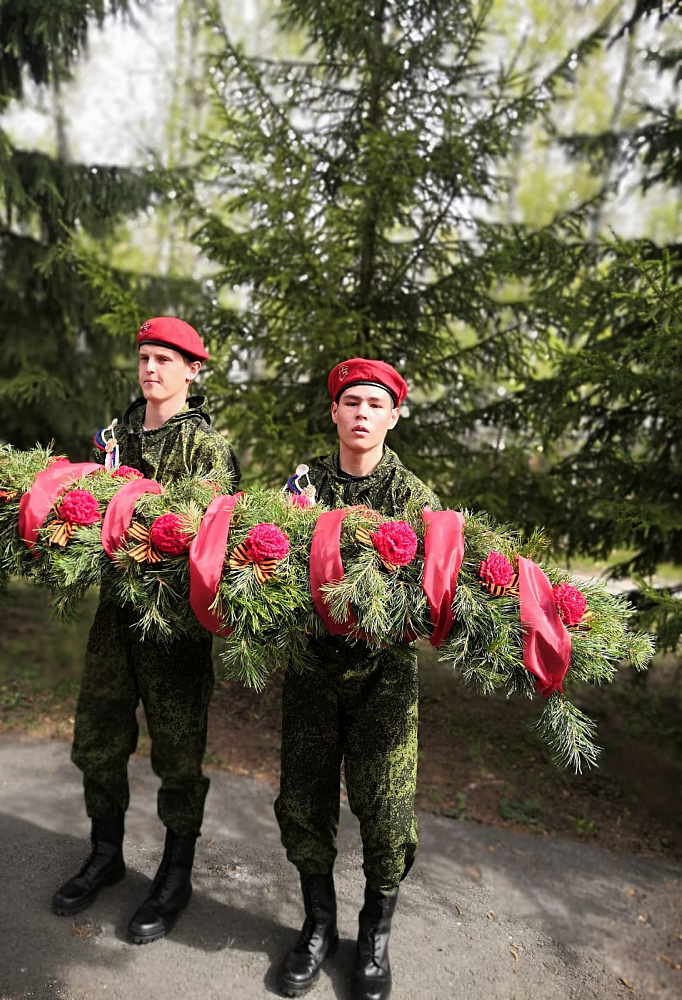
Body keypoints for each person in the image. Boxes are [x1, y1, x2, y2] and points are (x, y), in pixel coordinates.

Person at [51, 317, 240, 945]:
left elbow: (204, 538)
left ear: (192, 370)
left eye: (164, 359)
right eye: (144, 358)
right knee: (98, 738)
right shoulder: (118, 435)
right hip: (115, 619)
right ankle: (105, 854)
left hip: (174, 628)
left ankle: (174, 876)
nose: (150, 369)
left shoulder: (206, 448)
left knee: (178, 757)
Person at [274, 358, 441, 1000]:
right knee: (303, 801)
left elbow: (432, 592)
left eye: (375, 404)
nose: (362, 414)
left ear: (394, 416)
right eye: (352, 403)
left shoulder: (414, 499)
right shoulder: (304, 484)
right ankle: (319, 927)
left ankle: (375, 935)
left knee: (388, 813)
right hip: (311, 671)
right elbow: (268, 559)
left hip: (383, 679)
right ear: (335, 413)